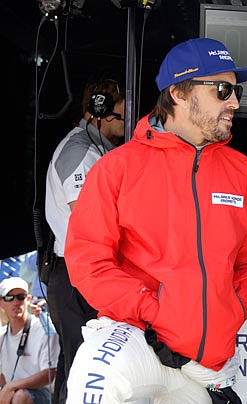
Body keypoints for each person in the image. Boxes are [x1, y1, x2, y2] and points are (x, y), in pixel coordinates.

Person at [63, 37, 247, 403]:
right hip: (137, 337)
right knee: (93, 380)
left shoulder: (245, 172)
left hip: (205, 358)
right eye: (223, 90)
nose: (235, 102)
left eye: (236, 90)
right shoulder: (118, 168)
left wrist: (230, 313)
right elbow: (88, 263)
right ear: (178, 93)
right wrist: (154, 314)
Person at [44, 76, 126, 403]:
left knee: (74, 365)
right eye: (123, 110)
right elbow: (89, 219)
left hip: (77, 275)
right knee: (84, 365)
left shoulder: (98, 150)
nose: (128, 117)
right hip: (75, 278)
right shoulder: (80, 152)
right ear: (101, 109)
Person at [0, 277, 60, 404]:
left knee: (20, 397)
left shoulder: (45, 329)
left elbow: (49, 374)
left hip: (45, 394)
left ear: (28, 299)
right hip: (14, 391)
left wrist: (11, 386)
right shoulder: (2, 335)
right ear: (1, 303)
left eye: (20, 297)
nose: (16, 302)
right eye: (9, 298)